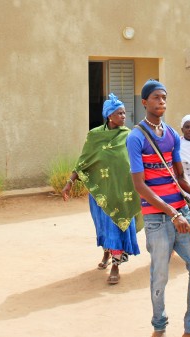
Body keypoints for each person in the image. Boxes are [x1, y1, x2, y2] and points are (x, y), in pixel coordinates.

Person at [126, 79, 190, 337]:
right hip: (157, 219)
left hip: (182, 215)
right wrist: (172, 213)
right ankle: (159, 326)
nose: (161, 101)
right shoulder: (136, 137)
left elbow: (180, 178)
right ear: (144, 102)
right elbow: (140, 186)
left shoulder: (173, 135)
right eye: (156, 98)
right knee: (159, 277)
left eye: (164, 97)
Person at [62, 93, 143, 285]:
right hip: (103, 193)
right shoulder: (95, 136)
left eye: (124, 113)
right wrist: (70, 181)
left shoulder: (129, 135)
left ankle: (116, 265)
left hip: (124, 192)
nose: (124, 116)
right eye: (120, 113)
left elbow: (139, 159)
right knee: (104, 225)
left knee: (118, 226)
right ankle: (107, 252)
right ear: (109, 116)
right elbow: (84, 160)